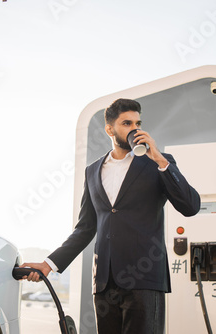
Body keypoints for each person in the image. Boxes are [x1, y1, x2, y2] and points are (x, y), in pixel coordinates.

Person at [21, 98, 200, 333]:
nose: (134, 129)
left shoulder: (157, 163)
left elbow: (191, 206)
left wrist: (159, 159)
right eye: (126, 123)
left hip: (144, 280)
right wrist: (48, 264)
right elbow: (85, 228)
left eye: (138, 123)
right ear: (109, 129)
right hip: (105, 283)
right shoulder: (92, 171)